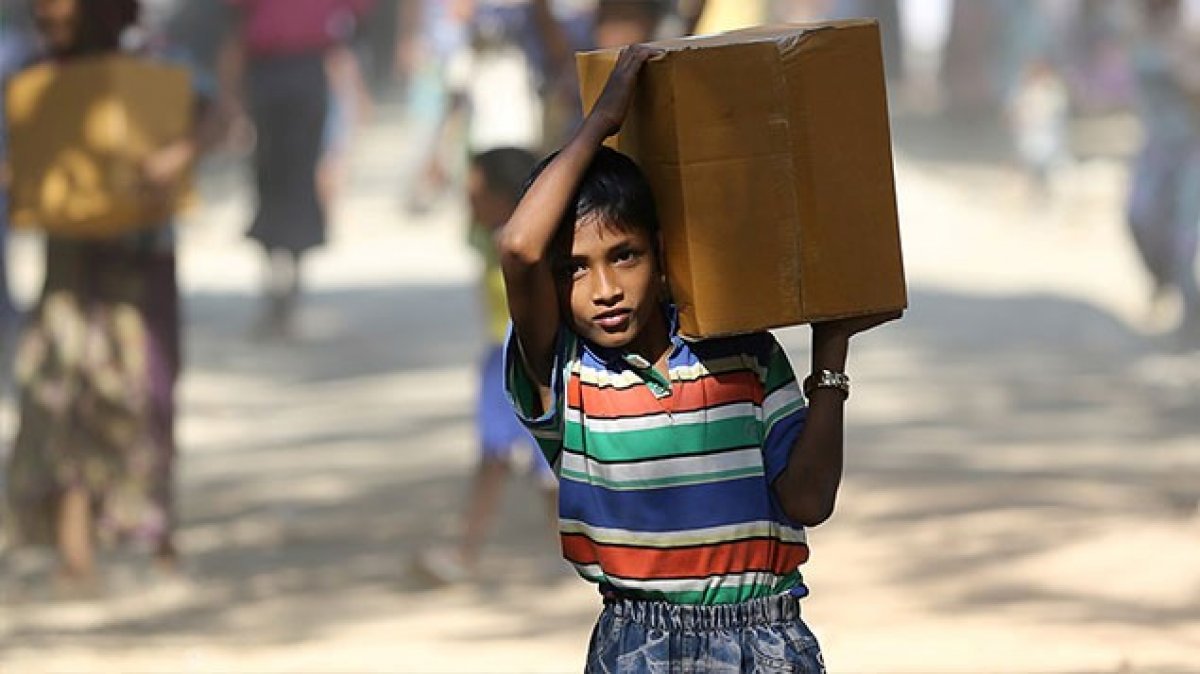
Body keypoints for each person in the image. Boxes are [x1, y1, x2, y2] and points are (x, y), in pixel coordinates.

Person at [498, 45, 900, 671]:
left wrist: (832, 349)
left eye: (623, 255)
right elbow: (520, 247)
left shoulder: (743, 355)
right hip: (638, 643)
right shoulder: (565, 373)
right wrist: (604, 121)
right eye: (574, 269)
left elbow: (808, 501)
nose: (604, 289)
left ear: (661, 256)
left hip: (766, 639)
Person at [4, 0, 220, 593]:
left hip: (140, 259)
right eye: (44, 25)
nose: (51, 35)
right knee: (63, 394)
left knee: (147, 393)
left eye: (62, 24)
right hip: (70, 264)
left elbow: (216, 116)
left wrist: (175, 156)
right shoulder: (34, 73)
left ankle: (158, 539)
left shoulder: (157, 60)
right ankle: (77, 555)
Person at [414, 147, 557, 585]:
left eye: (475, 191)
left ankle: (466, 552)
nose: (468, 200)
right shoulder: (491, 236)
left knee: (520, 464)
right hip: (507, 358)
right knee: (542, 469)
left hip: (520, 360)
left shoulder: (521, 243)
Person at [221, 0, 374, 339]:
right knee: (269, 176)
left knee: (299, 177)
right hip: (266, 71)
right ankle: (276, 277)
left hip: (306, 71)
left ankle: (290, 280)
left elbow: (351, 23)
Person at [1126, 0, 1200, 348]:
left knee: (1185, 233)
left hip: (1189, 149)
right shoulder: (1137, 31)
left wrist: (1181, 64)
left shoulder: (1189, 34)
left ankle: (1191, 313)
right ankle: (1161, 278)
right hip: (1153, 148)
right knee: (1139, 217)